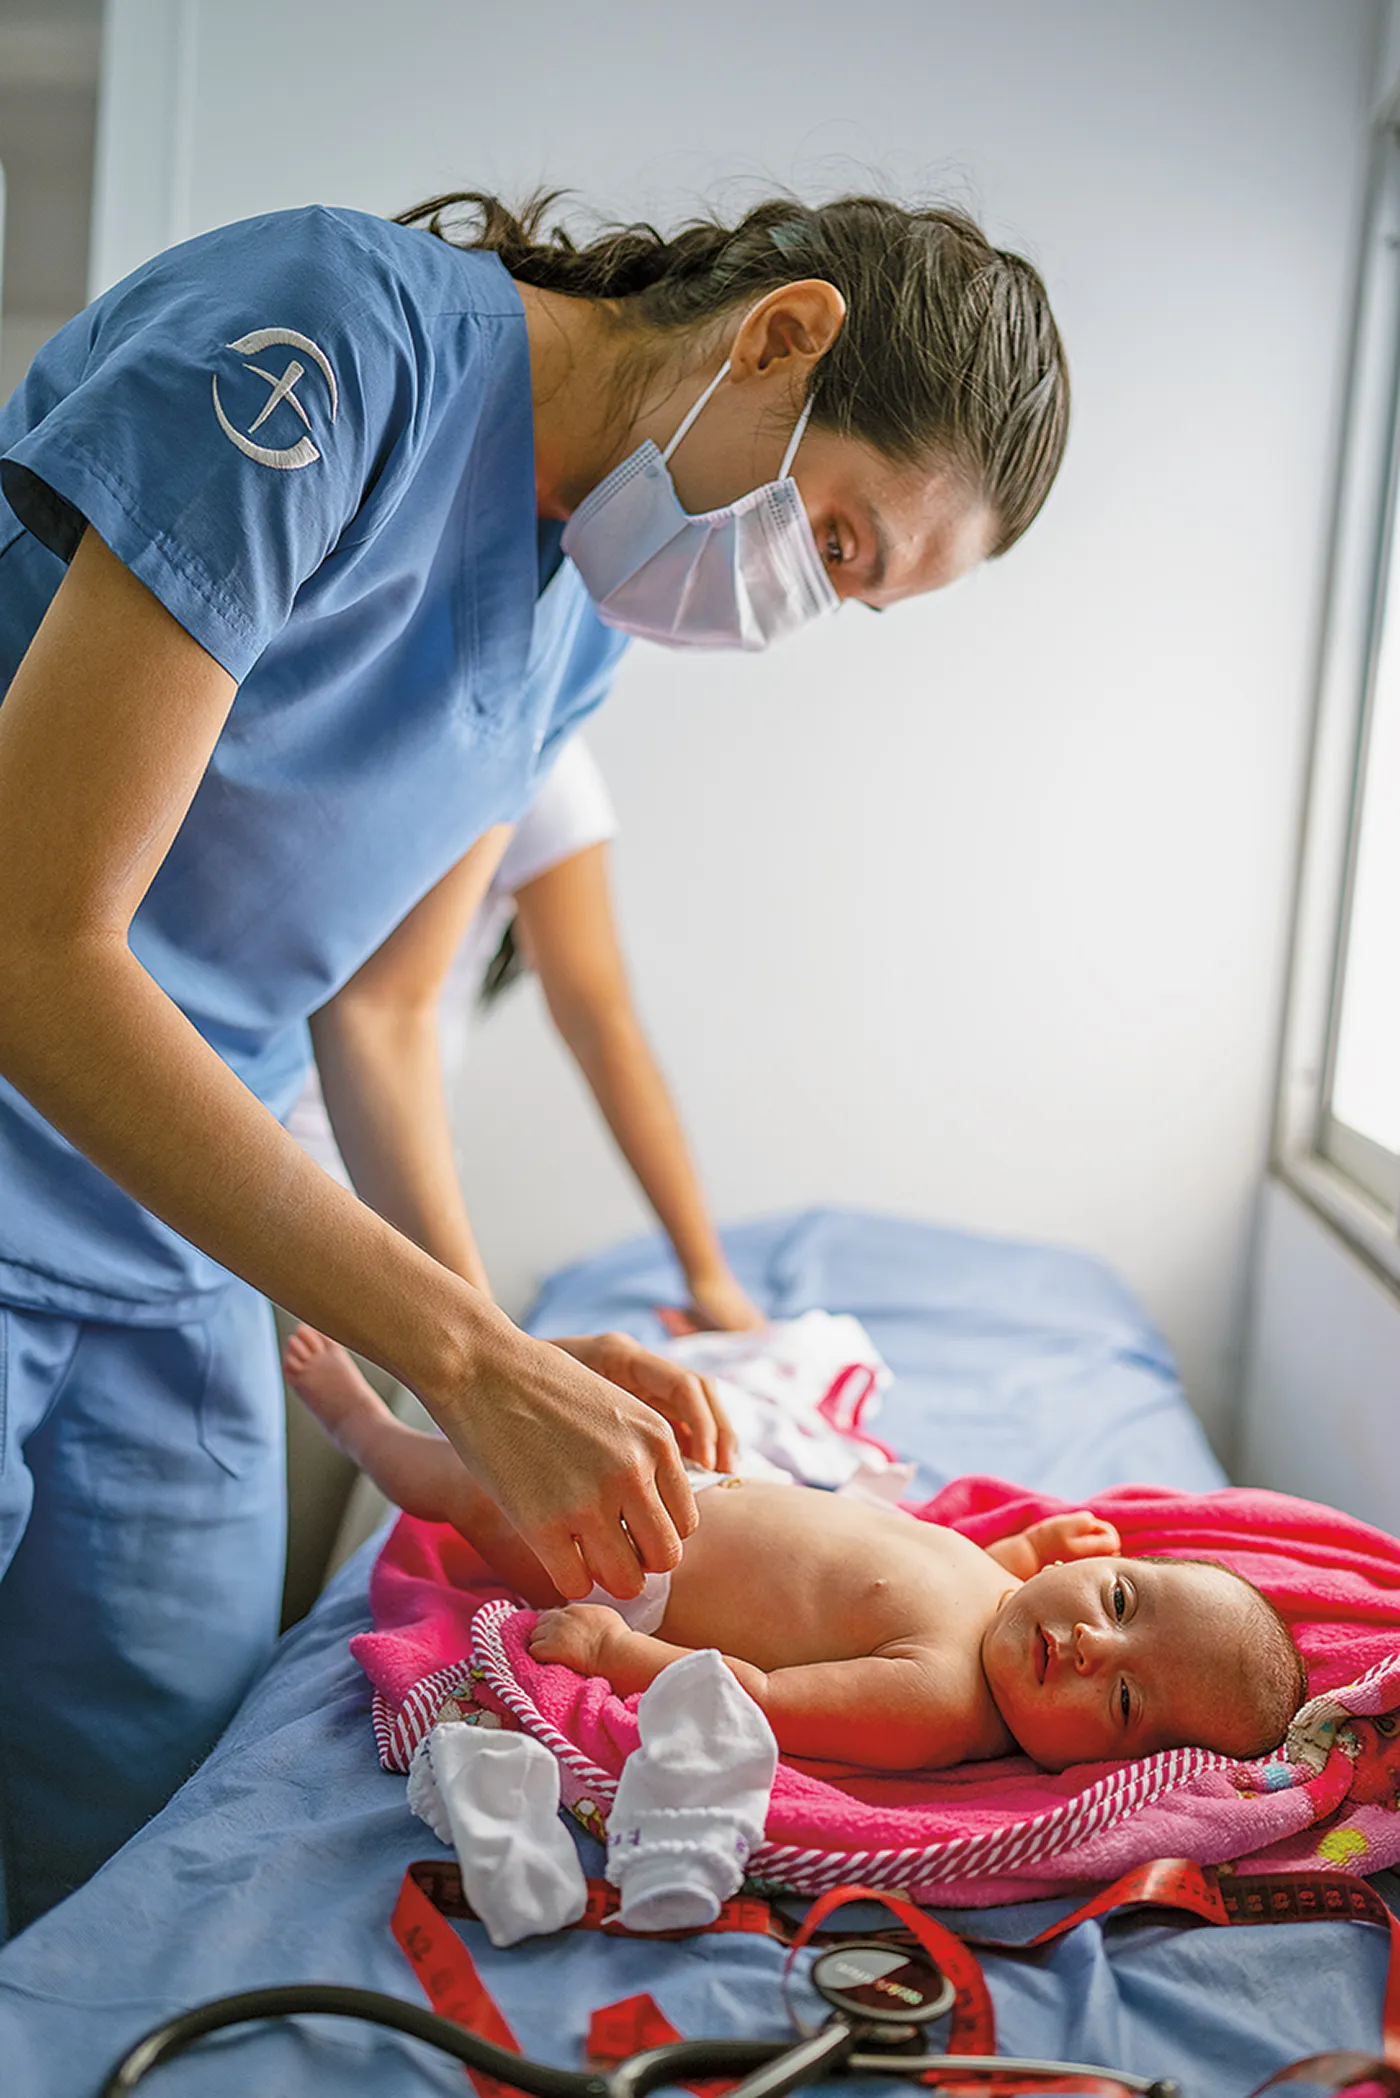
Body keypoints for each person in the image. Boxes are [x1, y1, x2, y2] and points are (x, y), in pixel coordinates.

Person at [0, 184, 1068, 1924]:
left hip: (178, 1226)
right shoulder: (333, 342)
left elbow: (391, 1010)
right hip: (49, 1085)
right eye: (845, 540)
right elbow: (34, 940)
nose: (808, 602)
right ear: (781, 336)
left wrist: (502, 1370)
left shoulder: (579, 624)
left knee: (129, 1850)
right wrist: (473, 1363)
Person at [284, 1326, 1306, 1772]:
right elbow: (919, 1558)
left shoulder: (940, 1702)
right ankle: (436, 1349)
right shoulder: (1007, 1595)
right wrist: (1020, 1539)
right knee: (550, 1407)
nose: (1088, 1643)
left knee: (470, 1486)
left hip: (629, 1567)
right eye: (1121, 1600)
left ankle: (366, 1431)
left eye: (1122, 1700)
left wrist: (609, 1652)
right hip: (695, 1495)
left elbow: (755, 1695)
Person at [285, 733, 763, 1331]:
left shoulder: (518, 747)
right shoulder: (522, 745)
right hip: (319, 1186)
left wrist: (708, 1275)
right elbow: (598, 1021)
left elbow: (596, 1022)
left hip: (284, 1164)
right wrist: (707, 1276)